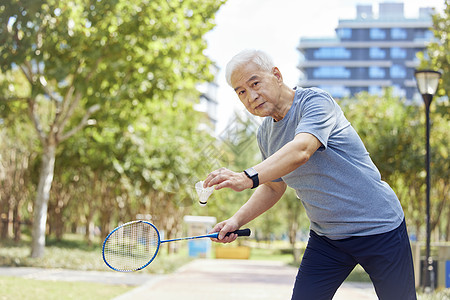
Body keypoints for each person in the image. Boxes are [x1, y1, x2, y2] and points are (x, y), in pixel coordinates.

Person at [203, 49, 416, 300]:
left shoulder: (315, 102)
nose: (251, 96)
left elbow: (302, 149)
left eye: (255, 83)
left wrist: (247, 177)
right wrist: (236, 220)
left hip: (379, 228)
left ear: (277, 75)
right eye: (241, 91)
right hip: (328, 239)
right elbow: (273, 187)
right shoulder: (265, 134)